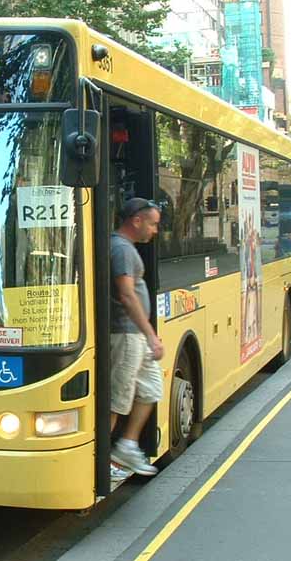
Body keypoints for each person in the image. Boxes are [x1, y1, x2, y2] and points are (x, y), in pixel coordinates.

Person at [109, 197, 164, 480]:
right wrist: (151, 335)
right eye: (152, 224)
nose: (154, 231)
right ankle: (102, 460)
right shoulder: (120, 248)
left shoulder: (126, 249)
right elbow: (127, 295)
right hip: (126, 333)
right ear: (137, 220)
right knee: (118, 398)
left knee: (151, 389)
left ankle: (127, 445)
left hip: (135, 335)